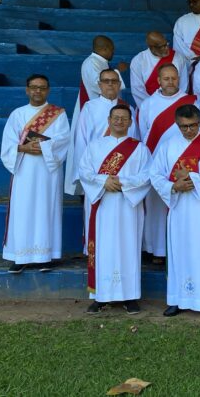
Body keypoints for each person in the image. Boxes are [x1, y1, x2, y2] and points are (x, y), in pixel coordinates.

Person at [150, 104, 200, 318]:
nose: (189, 130)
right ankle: (178, 298)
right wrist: (174, 187)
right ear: (177, 124)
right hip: (180, 210)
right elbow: (155, 175)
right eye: (184, 126)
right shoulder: (167, 146)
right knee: (180, 252)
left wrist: (192, 179)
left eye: (193, 125)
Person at [79, 104, 151, 314]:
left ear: (130, 122)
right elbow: (84, 172)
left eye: (124, 118)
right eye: (115, 118)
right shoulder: (94, 146)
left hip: (128, 207)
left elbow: (147, 175)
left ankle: (130, 296)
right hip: (102, 206)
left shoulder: (139, 148)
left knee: (128, 247)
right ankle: (101, 296)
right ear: (109, 121)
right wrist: (103, 182)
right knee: (103, 247)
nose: (119, 122)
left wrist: (122, 182)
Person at [2, 74, 70, 273]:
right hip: (23, 170)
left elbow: (64, 140)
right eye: (33, 87)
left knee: (45, 208)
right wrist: (23, 149)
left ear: (48, 90)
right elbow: (8, 143)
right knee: (22, 210)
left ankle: (45, 256)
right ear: (27, 89)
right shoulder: (17, 114)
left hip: (48, 172)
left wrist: (43, 147)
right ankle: (20, 256)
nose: (37, 91)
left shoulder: (58, 114)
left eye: (41, 87)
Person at [70, 69, 136, 249]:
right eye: (106, 81)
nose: (110, 84)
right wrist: (84, 176)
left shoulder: (128, 108)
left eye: (114, 81)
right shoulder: (89, 108)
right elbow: (82, 141)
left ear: (119, 85)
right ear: (99, 85)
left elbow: (135, 141)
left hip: (124, 172)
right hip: (97, 173)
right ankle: (94, 250)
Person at [138, 64, 197, 260]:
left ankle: (180, 249)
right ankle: (157, 249)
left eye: (174, 78)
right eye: (166, 78)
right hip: (158, 163)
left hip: (185, 163)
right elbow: (143, 133)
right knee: (156, 207)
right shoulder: (147, 105)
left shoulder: (190, 101)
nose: (171, 82)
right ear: (159, 80)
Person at [65, 35, 124, 195]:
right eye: (112, 49)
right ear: (104, 49)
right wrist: (118, 71)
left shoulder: (100, 63)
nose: (113, 52)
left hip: (106, 111)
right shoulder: (91, 63)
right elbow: (99, 86)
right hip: (95, 114)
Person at [129, 31, 189, 108]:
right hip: (150, 107)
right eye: (162, 46)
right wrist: (152, 107)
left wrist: (174, 105)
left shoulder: (178, 57)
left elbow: (183, 85)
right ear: (151, 47)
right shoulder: (139, 61)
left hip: (175, 106)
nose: (166, 48)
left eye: (166, 43)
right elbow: (138, 90)